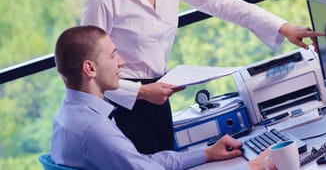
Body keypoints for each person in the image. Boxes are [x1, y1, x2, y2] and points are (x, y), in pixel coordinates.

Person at [81, 0, 323, 154]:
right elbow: (88, 74)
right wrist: (140, 92)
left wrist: (282, 27)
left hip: (158, 96)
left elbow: (220, 3)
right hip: (122, 104)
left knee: (168, 160)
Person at [50, 25, 275, 170]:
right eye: (112, 55)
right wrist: (252, 168)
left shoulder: (70, 114)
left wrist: (206, 154)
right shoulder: (95, 129)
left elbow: (142, 164)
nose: (121, 62)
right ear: (90, 68)